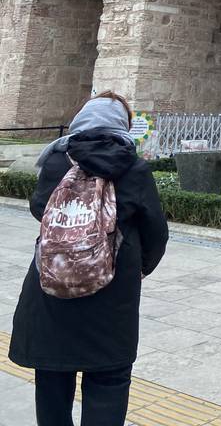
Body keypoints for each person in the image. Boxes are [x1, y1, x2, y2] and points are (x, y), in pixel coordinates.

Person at [10, 91, 168, 426]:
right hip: (111, 298)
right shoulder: (133, 168)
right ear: (123, 127)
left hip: (51, 290)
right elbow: (157, 233)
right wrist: (139, 267)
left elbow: (40, 208)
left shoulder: (56, 161)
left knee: (52, 381)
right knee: (108, 384)